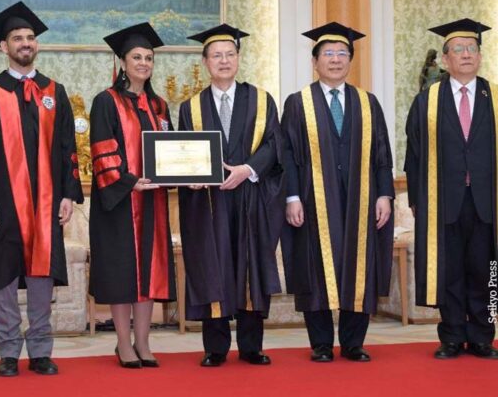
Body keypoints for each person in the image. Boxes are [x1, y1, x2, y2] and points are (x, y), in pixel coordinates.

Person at [0, 1, 84, 377]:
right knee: (4, 276)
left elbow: (67, 148)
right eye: (17, 38)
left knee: (42, 275)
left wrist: (68, 194)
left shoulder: (54, 92)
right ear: (4, 46)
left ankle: (41, 350)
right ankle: (9, 350)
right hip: (3, 202)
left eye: (30, 37)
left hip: (46, 202)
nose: (25, 43)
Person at [281, 22, 394, 363]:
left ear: (350, 60)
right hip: (313, 199)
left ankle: (353, 343)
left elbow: (382, 154)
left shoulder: (368, 102)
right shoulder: (298, 103)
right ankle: (320, 344)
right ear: (314, 61)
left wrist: (384, 195)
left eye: (342, 53)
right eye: (328, 53)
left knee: (359, 265)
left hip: (361, 198)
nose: (335, 59)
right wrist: (291, 197)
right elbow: (287, 155)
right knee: (315, 265)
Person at [178, 24, 284, 367]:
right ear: (205, 62)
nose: (223, 61)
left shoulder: (262, 100)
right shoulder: (191, 107)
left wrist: (247, 169)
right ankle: (216, 347)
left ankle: (251, 347)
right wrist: (190, 178)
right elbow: (184, 153)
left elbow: (274, 144)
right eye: (216, 56)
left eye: (229, 54)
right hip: (209, 203)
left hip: (251, 197)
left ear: (238, 58)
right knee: (213, 266)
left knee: (251, 266)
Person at [405, 18, 498, 360]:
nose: (466, 54)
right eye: (458, 49)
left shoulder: (495, 97)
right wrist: (417, 200)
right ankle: (452, 336)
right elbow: (413, 154)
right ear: (446, 59)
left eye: (472, 48)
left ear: (480, 56)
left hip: (489, 201)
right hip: (442, 200)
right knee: (450, 270)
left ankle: (483, 336)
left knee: (486, 270)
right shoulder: (427, 101)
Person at [89, 23, 176, 368]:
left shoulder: (159, 105)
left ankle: (144, 341)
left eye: (149, 58)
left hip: (152, 201)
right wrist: (128, 181)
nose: (143, 63)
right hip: (119, 202)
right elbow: (102, 149)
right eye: (137, 57)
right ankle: (123, 343)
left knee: (150, 271)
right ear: (123, 63)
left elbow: (171, 151)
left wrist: (184, 174)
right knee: (122, 272)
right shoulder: (106, 101)